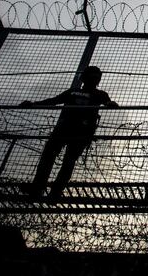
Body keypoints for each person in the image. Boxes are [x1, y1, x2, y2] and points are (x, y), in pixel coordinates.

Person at [19, 66, 118, 199]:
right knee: (51, 157)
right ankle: (40, 188)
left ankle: (54, 191)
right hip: (66, 129)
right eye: (91, 76)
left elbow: (108, 102)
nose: (93, 79)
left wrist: (111, 104)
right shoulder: (73, 92)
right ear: (85, 78)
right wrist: (34, 104)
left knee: (67, 160)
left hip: (80, 131)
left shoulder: (99, 94)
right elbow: (54, 101)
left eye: (96, 77)